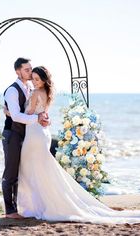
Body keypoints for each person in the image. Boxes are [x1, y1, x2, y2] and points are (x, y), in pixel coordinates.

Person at [17, 66, 140, 224]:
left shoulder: (34, 93)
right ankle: (40, 203)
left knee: (29, 168)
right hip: (43, 133)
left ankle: (33, 206)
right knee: (41, 169)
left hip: (34, 134)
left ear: (43, 80)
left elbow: (27, 114)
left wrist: (10, 112)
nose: (34, 82)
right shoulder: (48, 93)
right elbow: (44, 114)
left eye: (37, 79)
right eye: (32, 78)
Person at [2, 58, 49, 219]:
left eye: (30, 69)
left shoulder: (30, 87)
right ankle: (9, 211)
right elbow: (15, 116)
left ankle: (19, 206)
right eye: (27, 70)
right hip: (12, 134)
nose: (30, 72)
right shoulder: (12, 90)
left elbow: (37, 109)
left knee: (22, 172)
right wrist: (37, 118)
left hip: (27, 135)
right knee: (10, 172)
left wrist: (44, 118)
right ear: (18, 71)